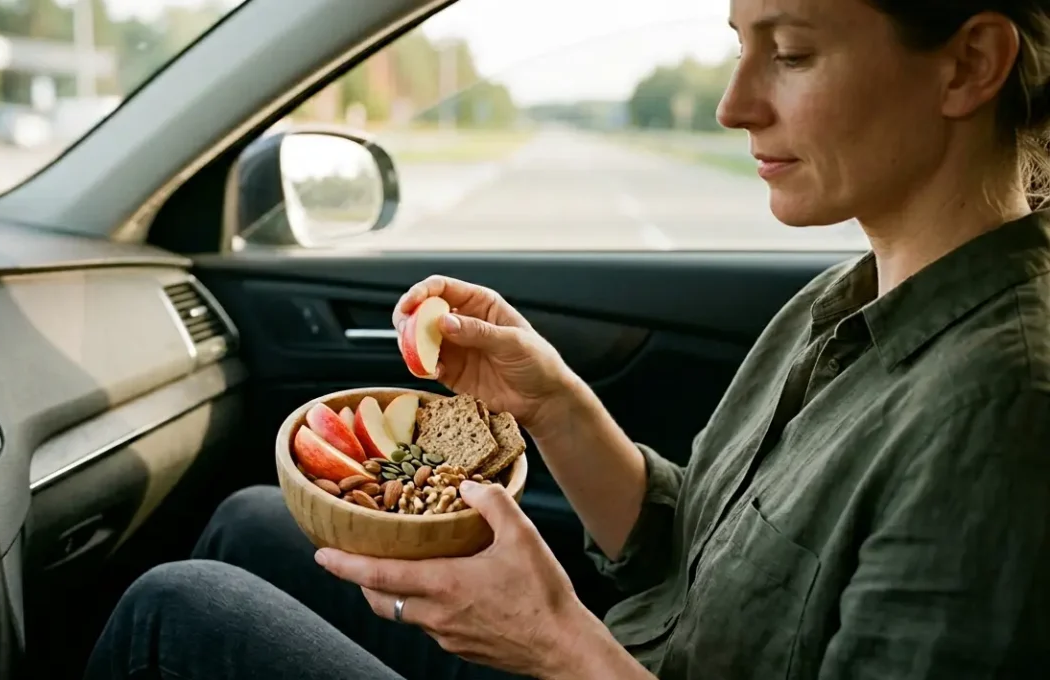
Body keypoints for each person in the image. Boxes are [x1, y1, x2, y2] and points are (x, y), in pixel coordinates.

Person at [83, 0, 1050, 677]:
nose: (733, 104)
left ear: (969, 64)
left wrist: (550, 642)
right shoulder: (845, 297)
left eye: (790, 53)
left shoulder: (1002, 410)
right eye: (740, 45)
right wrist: (551, 403)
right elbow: (684, 550)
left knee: (176, 614)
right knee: (259, 519)